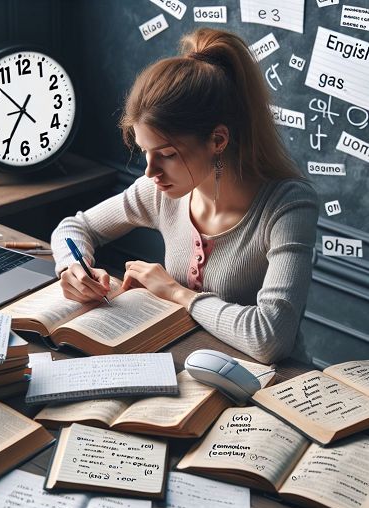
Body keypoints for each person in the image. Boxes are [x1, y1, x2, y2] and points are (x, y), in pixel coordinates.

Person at [50, 28, 318, 364]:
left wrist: (176, 292)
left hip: (273, 388)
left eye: (167, 154)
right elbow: (75, 228)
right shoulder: (162, 192)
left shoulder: (288, 206)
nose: (150, 171)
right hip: (190, 367)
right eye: (145, 151)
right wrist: (73, 267)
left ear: (218, 140)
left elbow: (269, 338)